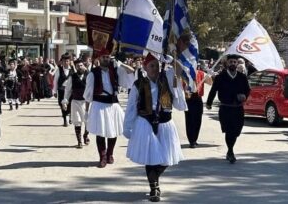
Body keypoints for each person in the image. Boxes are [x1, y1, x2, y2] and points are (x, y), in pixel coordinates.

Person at [123, 53, 186, 202]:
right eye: (152, 65)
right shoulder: (139, 84)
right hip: (146, 123)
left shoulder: (167, 79)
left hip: (165, 122)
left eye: (157, 65)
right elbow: (131, 106)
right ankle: (154, 188)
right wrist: (127, 126)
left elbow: (179, 70)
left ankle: (154, 178)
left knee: (166, 158)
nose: (155, 68)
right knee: (150, 158)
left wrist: (171, 59)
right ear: (145, 67)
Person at [83, 48, 134, 168]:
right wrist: (86, 111)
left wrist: (121, 63)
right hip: (99, 104)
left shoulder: (115, 70)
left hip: (113, 104)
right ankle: (102, 156)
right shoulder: (93, 73)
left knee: (113, 131)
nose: (106, 59)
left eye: (107, 57)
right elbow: (88, 93)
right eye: (103, 57)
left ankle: (110, 153)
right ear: (99, 59)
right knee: (100, 133)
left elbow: (131, 73)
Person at [206, 54, 250, 164]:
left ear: (237, 64)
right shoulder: (221, 77)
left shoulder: (242, 77)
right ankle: (230, 151)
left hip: (238, 108)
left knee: (236, 131)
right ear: (227, 63)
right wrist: (209, 103)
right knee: (229, 131)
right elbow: (213, 90)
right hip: (226, 108)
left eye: (235, 62)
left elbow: (247, 90)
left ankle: (230, 150)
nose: (233, 64)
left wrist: (244, 96)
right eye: (231, 62)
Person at [61, 59, 90, 148]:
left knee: (88, 122)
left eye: (81, 65)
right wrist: (65, 101)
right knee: (77, 121)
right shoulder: (72, 77)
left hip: (86, 102)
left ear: (83, 66)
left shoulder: (89, 76)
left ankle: (85, 135)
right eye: (78, 66)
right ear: (75, 67)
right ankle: (79, 141)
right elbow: (68, 90)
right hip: (75, 102)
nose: (80, 67)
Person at [184, 64, 212, 148]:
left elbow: (210, 83)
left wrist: (209, 75)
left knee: (198, 120)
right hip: (189, 98)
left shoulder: (201, 73)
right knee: (189, 120)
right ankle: (191, 140)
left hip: (198, 99)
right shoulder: (185, 73)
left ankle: (195, 139)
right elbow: (182, 86)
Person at [53, 53, 74, 127]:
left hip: (71, 91)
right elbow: (55, 81)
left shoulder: (72, 70)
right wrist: (54, 91)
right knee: (62, 105)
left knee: (70, 104)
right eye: (64, 61)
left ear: (69, 61)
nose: (66, 63)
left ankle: (70, 115)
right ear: (62, 62)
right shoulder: (59, 70)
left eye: (67, 61)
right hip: (62, 90)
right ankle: (65, 119)